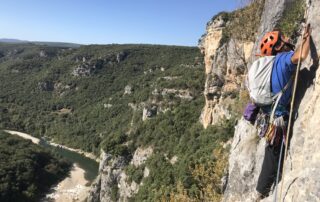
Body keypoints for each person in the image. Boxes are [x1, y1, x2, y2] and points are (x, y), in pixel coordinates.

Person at [255, 25, 311, 200]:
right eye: (284, 37)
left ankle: (262, 188)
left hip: (268, 115)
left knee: (271, 150)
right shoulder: (283, 59)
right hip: (278, 119)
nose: (287, 38)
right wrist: (307, 37)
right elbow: (302, 55)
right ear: (278, 46)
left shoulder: (270, 64)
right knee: (273, 152)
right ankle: (261, 191)